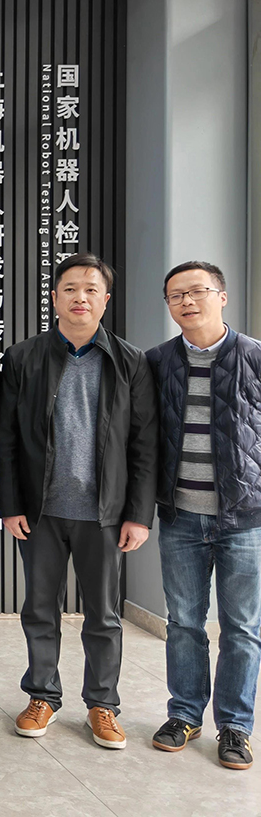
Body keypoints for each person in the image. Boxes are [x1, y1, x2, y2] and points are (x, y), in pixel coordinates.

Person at [0, 252, 157, 750]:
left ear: (105, 300)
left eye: (90, 289)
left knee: (103, 615)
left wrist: (138, 515)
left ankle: (102, 705)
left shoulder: (131, 361)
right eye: (70, 288)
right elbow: (7, 437)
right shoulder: (23, 357)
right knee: (40, 609)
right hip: (40, 511)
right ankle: (42, 695)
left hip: (104, 514)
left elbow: (145, 444)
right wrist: (10, 504)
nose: (80, 297)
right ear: (54, 298)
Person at [147, 261, 261, 771]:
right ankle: (185, 714)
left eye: (197, 291)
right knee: (184, 623)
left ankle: (235, 726)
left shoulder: (255, 356)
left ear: (222, 296)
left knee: (242, 627)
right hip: (180, 517)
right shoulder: (156, 361)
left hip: (244, 519)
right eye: (176, 295)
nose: (187, 302)